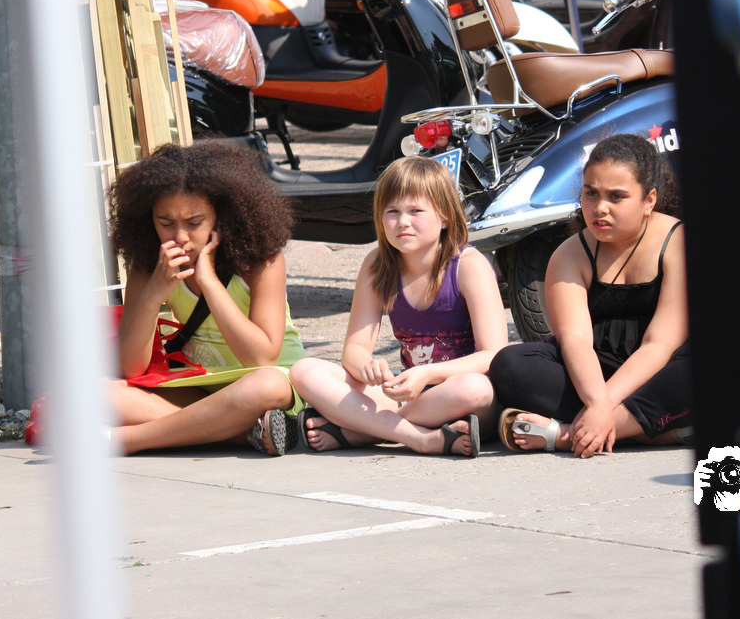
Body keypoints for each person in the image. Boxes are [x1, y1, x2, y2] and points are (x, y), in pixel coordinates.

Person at [490, 133, 693, 458]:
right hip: (593, 375)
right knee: (511, 364)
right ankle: (650, 430)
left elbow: (659, 345)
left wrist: (602, 407)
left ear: (649, 200)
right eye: (591, 193)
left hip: (661, 371)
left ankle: (568, 434)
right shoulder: (569, 255)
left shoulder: (678, 242)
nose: (600, 208)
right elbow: (576, 340)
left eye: (616, 197)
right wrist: (598, 401)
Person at [290, 157, 508, 457]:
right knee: (305, 370)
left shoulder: (468, 265)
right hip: (406, 395)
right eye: (392, 211)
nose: (403, 221)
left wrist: (428, 375)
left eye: (416, 211)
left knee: (475, 389)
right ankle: (418, 437)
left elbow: (493, 354)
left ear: (445, 217)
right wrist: (367, 366)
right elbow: (354, 350)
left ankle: (360, 431)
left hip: (455, 393)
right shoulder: (377, 264)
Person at [106, 139, 305, 456]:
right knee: (100, 394)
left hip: (266, 383)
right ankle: (243, 434)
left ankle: (129, 440)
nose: (180, 237)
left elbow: (261, 359)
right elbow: (129, 369)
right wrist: (153, 295)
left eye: (194, 223)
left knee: (266, 385)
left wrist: (209, 282)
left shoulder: (262, 260)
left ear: (221, 218)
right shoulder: (149, 266)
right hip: (198, 385)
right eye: (165, 223)